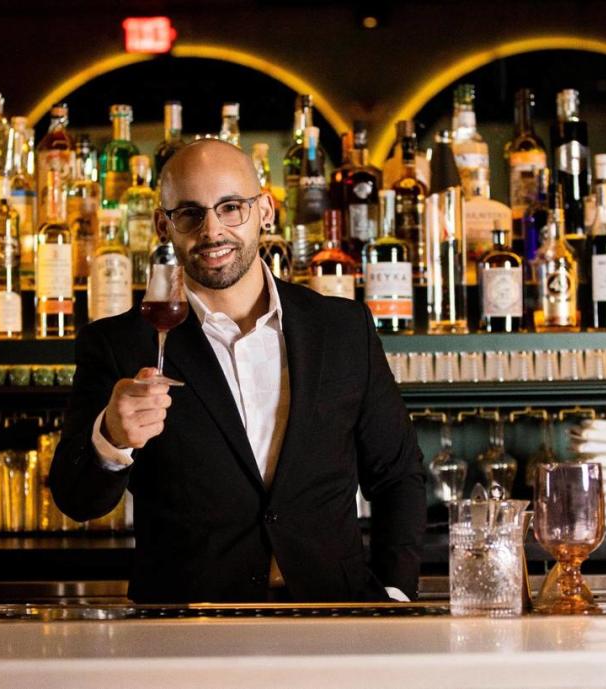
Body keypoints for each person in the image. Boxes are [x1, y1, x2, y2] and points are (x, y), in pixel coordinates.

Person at [49, 140, 426, 604]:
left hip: (334, 621)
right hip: (187, 636)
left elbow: (398, 475)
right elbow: (76, 500)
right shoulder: (119, 343)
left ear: (265, 210)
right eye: (190, 213)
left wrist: (393, 593)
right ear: (163, 225)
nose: (212, 231)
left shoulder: (342, 327)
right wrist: (111, 439)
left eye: (231, 207)